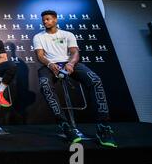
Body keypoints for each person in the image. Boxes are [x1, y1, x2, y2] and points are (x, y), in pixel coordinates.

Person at [33, 10, 117, 148]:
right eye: (43, 20)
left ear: (55, 20)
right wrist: (50, 64)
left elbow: (75, 52)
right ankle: (64, 125)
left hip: (70, 63)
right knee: (45, 84)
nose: (45, 22)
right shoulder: (38, 36)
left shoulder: (67, 34)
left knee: (95, 80)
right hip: (50, 65)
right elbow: (40, 55)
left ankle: (103, 126)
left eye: (48, 19)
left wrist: (71, 63)